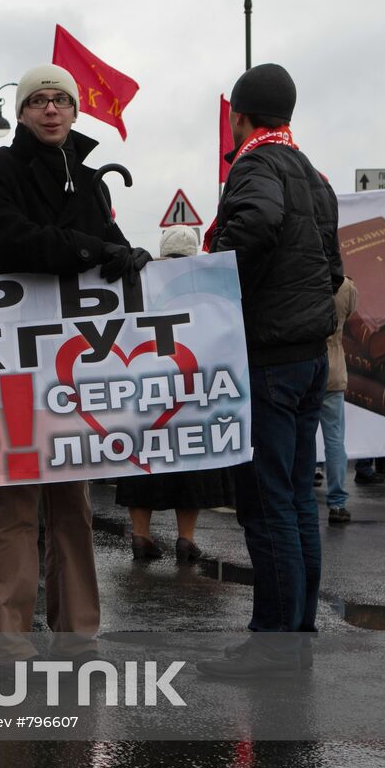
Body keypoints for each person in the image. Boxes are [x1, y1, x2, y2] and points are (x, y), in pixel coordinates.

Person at [0, 64, 148, 660]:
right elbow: (9, 242)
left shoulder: (91, 183)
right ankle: (7, 636)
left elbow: (102, 245)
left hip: (73, 370)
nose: (50, 110)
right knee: (13, 503)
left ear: (73, 111)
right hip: (10, 363)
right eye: (38, 101)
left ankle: (77, 633)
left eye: (60, 100)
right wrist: (95, 249)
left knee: (72, 503)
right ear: (21, 112)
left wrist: (129, 254)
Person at [198, 63, 342, 679]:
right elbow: (333, 267)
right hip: (309, 355)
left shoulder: (255, 165)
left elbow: (253, 226)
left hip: (269, 358)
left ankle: (272, 645)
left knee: (266, 503)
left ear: (241, 116)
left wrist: (219, 288)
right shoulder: (312, 173)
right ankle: (297, 631)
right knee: (297, 502)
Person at [117, 226, 232, 562]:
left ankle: (140, 535)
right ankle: (186, 539)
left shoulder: (143, 281)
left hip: (145, 386)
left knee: (143, 457)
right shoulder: (205, 285)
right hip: (192, 387)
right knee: (191, 458)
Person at [320, 276, 358, 523]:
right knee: (335, 440)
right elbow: (350, 312)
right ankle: (337, 503)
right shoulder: (347, 287)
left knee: (299, 438)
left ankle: (297, 496)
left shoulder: (306, 277)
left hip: (307, 363)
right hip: (335, 366)